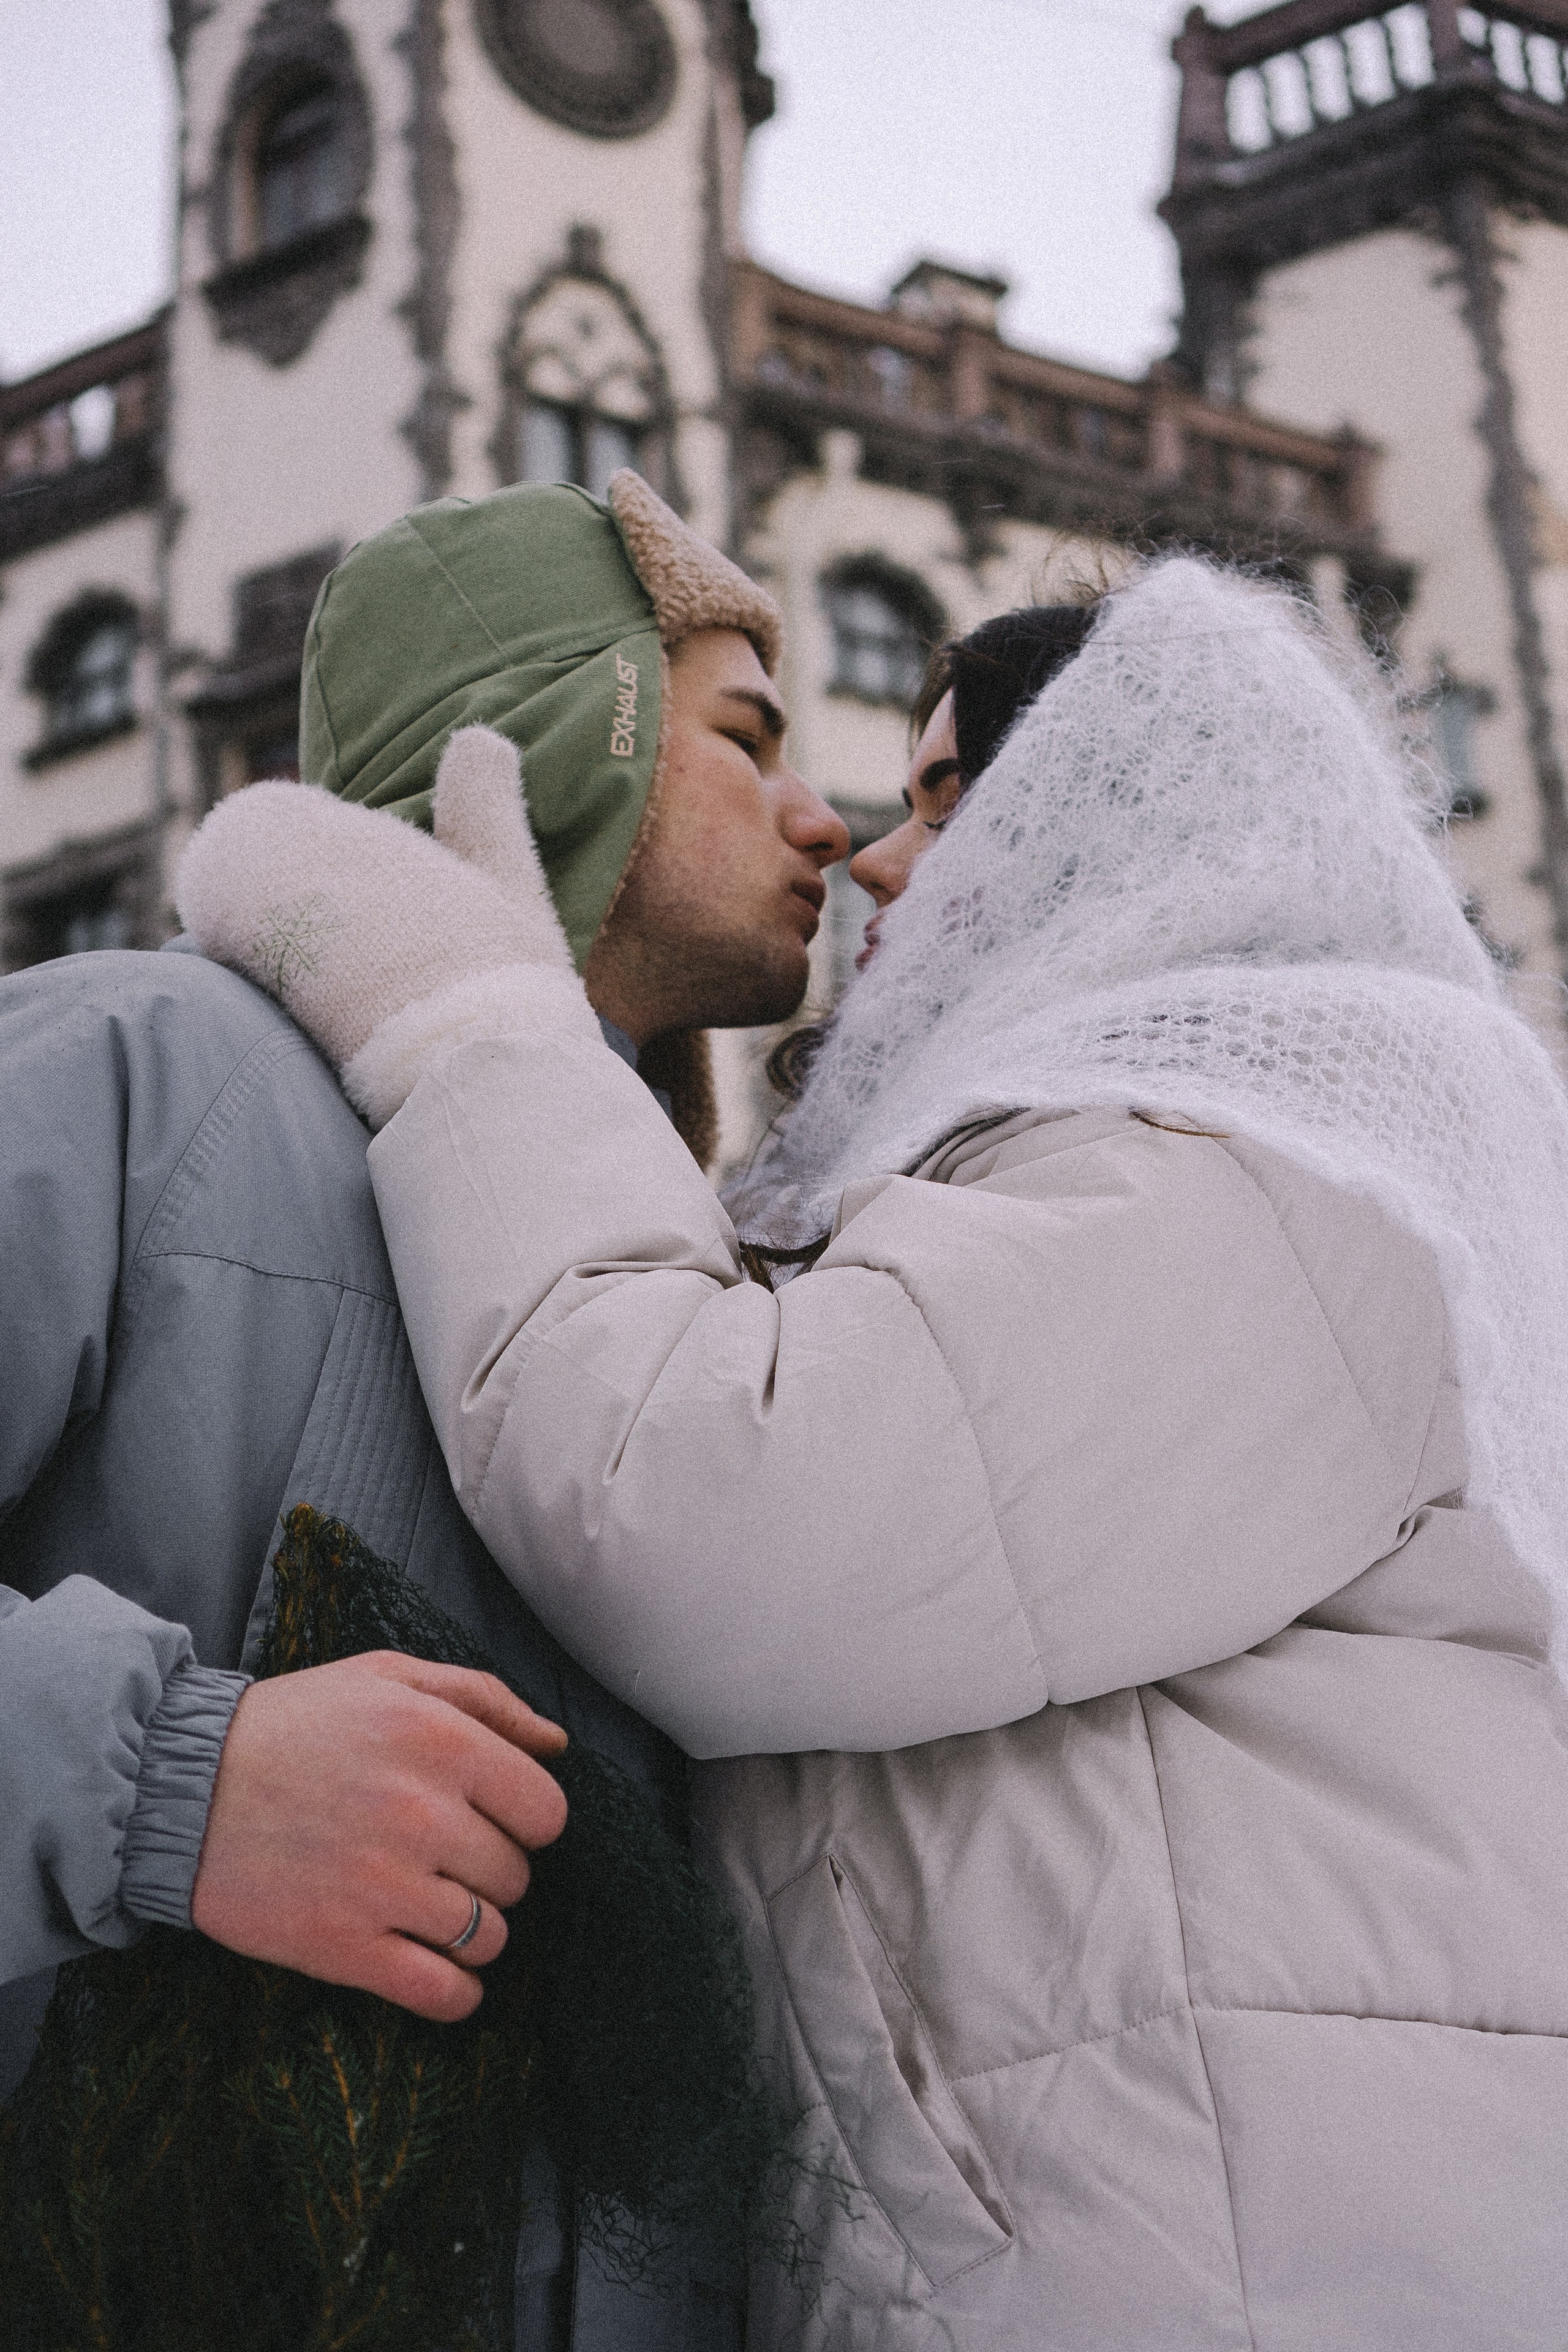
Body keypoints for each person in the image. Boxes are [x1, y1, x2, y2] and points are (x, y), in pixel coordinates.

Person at [180, 553, 1568, 2350]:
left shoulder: (1287, 1152)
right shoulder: (1135, 1159)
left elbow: (716, 1507)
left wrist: (475, 1024)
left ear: (1132, 801)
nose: (873, 860)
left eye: (949, 795)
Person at [0, 470, 846, 2349]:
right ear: (562, 745)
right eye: (744, 735)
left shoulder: (675, 1281)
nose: (826, 816)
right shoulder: (144, 1069)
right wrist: (169, 1787)